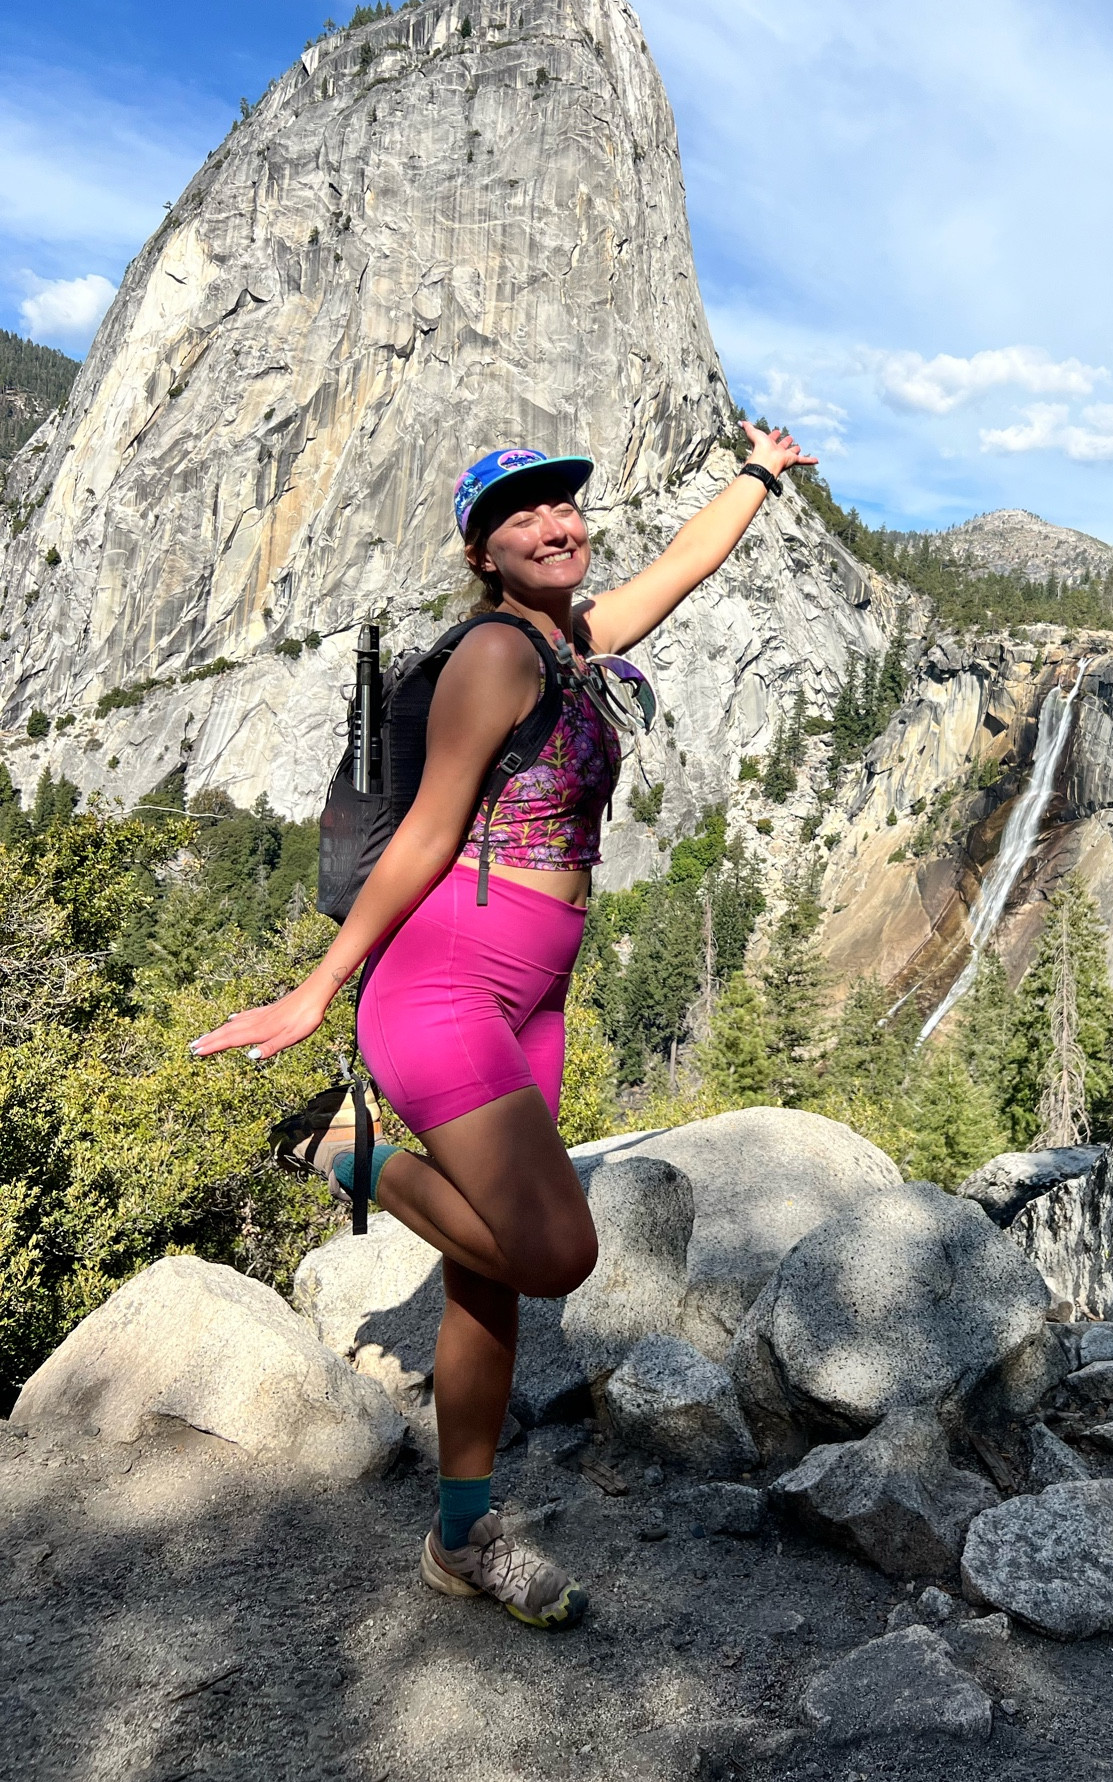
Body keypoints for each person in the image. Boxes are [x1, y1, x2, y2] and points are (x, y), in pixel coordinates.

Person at [191, 420, 815, 1628]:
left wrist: (757, 473)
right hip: (443, 986)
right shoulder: (495, 654)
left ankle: (463, 1535)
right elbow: (427, 834)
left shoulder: (572, 640)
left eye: (565, 506)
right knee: (559, 1253)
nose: (554, 524)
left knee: (490, 1274)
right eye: (522, 515)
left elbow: (680, 572)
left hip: (532, 997)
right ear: (483, 550)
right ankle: (345, 1150)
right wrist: (319, 988)